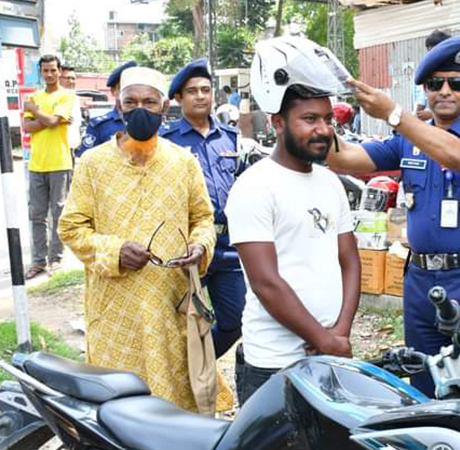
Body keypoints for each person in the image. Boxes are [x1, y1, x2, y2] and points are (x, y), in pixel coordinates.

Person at [327, 36, 460, 396]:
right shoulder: (406, 142)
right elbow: (341, 158)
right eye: (435, 84)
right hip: (420, 283)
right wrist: (319, 110)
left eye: (456, 83)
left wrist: (395, 116)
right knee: (424, 391)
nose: (445, 91)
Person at [58, 66, 216, 412]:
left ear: (163, 107)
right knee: (119, 408)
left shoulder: (183, 161)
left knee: (174, 405)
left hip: (170, 306)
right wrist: (114, 251)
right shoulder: (92, 164)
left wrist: (199, 246)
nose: (139, 109)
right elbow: (71, 227)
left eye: (149, 101)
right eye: (131, 101)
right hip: (115, 312)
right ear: (118, 107)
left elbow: (203, 218)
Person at [225, 36, 360, 403]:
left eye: (328, 119)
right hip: (274, 364)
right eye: (310, 119)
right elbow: (266, 282)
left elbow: (349, 259)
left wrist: (340, 333)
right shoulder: (254, 187)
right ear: (278, 123)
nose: (323, 129)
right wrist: (324, 339)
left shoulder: (331, 182)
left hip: (331, 355)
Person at [160, 58, 246, 359]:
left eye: (206, 90)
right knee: (178, 321)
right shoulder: (166, 141)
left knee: (235, 321)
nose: (200, 96)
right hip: (187, 245)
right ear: (179, 98)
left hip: (226, 246)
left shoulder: (231, 137)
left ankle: (198, 367)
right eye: (192, 91)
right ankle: (183, 380)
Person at [22, 54, 75, 279]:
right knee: (37, 215)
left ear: (59, 71)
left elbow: (52, 122)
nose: (50, 74)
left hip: (60, 162)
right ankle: (38, 262)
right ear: (41, 72)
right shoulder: (34, 96)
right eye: (46, 70)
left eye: (54, 70)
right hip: (36, 164)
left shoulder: (66, 96)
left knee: (59, 213)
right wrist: (49, 119)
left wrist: (35, 112)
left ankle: (56, 259)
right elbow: (26, 127)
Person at [77, 61, 137, 156]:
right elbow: (84, 159)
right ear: (113, 91)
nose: (128, 93)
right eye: (123, 88)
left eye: (132, 88)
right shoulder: (100, 125)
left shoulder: (148, 122)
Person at [414, 30, 451, 122]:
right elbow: (419, 107)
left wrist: (433, 114)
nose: (432, 56)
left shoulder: (457, 76)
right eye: (430, 52)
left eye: (436, 51)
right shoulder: (424, 74)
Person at [60, 65, 83, 156]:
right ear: (59, 79)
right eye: (67, 78)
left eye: (73, 78)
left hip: (71, 150)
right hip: (58, 149)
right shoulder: (54, 97)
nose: (71, 81)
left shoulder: (75, 98)